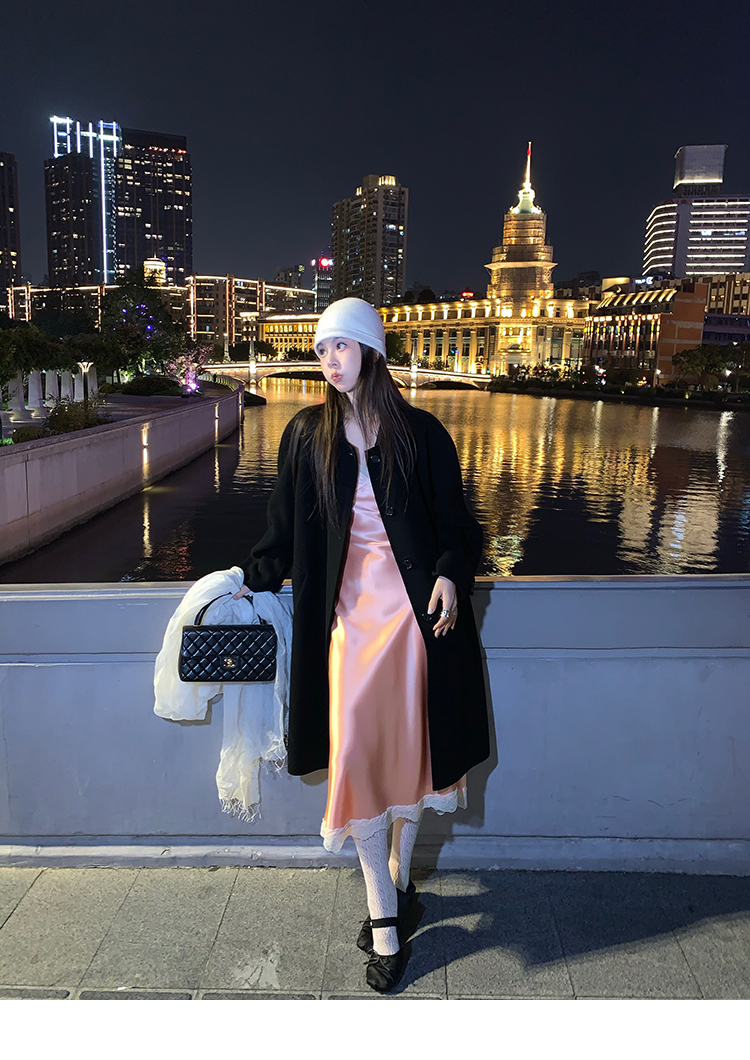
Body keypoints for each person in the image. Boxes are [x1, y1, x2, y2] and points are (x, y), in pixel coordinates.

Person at [236, 297, 489, 993]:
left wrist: (449, 572)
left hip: (415, 625)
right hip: (345, 627)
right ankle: (385, 920)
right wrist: (243, 580)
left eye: (340, 346)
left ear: (372, 351)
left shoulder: (422, 434)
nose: (328, 360)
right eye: (321, 350)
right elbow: (281, 533)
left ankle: (399, 885)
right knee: (357, 762)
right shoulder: (305, 436)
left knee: (413, 761)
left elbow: (458, 527)